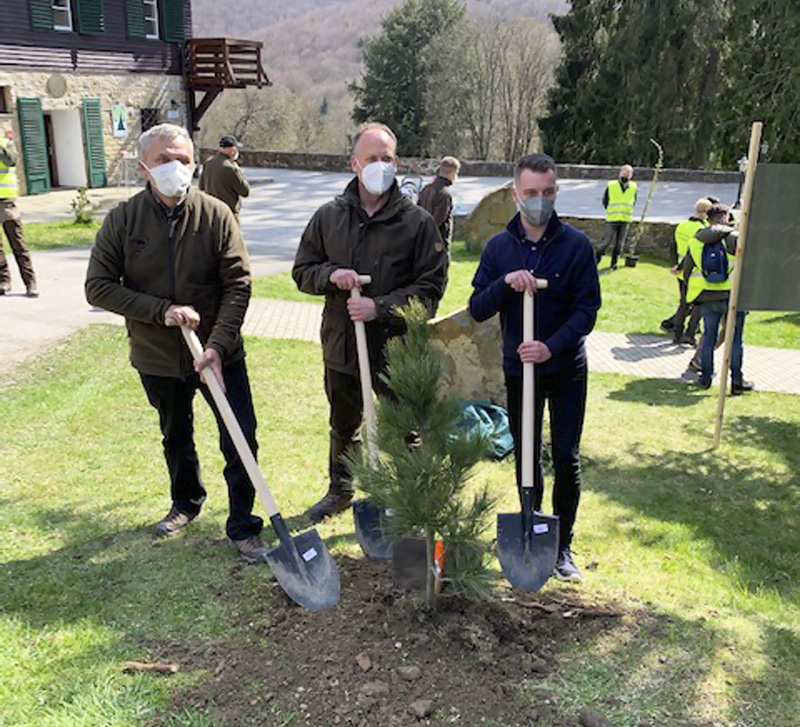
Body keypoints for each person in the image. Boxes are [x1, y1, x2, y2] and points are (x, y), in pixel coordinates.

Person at [85, 124, 268, 563]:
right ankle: (186, 502)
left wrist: (218, 347)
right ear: (145, 165)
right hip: (157, 356)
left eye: (183, 160)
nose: (175, 168)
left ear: (195, 163)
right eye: (164, 160)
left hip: (218, 355)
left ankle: (243, 524)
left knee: (240, 436)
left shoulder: (216, 215)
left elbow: (238, 286)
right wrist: (161, 310)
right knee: (175, 434)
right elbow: (98, 287)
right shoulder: (124, 220)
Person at [292, 122, 447, 524]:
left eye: (387, 158)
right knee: (344, 423)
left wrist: (380, 307)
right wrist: (330, 276)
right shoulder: (329, 217)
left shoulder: (417, 223)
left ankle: (407, 495)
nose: (380, 165)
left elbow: (430, 288)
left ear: (396, 162)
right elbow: (303, 271)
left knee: (403, 429)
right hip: (343, 344)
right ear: (354, 163)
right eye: (371, 158)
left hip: (396, 348)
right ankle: (340, 491)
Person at [469, 153, 601, 583]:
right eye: (530, 194)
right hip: (518, 370)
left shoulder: (576, 246)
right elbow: (477, 307)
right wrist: (506, 282)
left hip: (564, 368)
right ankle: (530, 526)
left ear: (555, 192)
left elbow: (587, 311)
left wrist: (551, 347)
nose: (538, 201)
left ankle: (562, 546)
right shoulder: (499, 248)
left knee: (565, 455)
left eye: (546, 193)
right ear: (515, 194)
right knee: (525, 455)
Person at [683, 203, 753, 394]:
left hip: (707, 297)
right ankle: (737, 381)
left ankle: (705, 378)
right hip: (733, 297)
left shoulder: (696, 240)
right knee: (735, 339)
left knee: (708, 337)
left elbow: (687, 271)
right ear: (726, 217)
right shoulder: (734, 238)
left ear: (708, 218)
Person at [660, 198, 712, 345]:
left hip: (681, 272)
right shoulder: (704, 229)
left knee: (683, 303)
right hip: (696, 272)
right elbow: (693, 252)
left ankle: (677, 333)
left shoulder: (682, 225)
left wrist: (674, 265)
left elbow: (673, 246)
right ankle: (689, 333)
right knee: (698, 304)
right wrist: (681, 265)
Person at [0, 129, 38, 297]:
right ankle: (4, 281)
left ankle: (30, 283)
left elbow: (11, 160)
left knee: (18, 245)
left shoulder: (5, 143)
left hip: (6, 202)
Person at [199, 135, 250, 223]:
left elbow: (201, 186)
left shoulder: (208, 163)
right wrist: (239, 171)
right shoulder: (231, 168)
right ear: (232, 150)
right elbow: (245, 191)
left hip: (211, 212)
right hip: (229, 214)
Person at [596, 164, 637, 269]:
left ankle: (613, 263)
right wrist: (611, 210)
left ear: (631, 175)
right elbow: (605, 201)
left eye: (628, 174)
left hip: (625, 219)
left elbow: (634, 201)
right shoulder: (611, 185)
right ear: (620, 173)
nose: (626, 175)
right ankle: (596, 259)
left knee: (619, 245)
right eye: (624, 173)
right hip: (612, 218)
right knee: (605, 242)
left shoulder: (633, 187)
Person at [418, 156, 460, 249]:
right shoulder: (444, 194)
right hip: (438, 242)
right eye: (456, 173)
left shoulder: (426, 189)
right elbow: (438, 220)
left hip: (422, 240)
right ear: (452, 173)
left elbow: (417, 212)